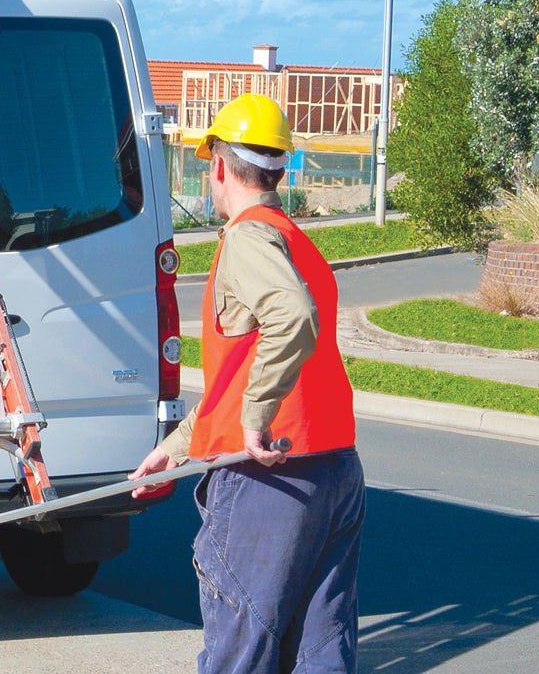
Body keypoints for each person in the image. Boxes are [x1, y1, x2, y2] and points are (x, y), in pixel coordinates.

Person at [128, 93, 364, 673]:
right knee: (319, 650)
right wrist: (177, 446)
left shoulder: (247, 238)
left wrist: (257, 416)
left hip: (269, 477)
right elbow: (240, 372)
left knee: (242, 651)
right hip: (332, 468)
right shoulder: (293, 240)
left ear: (217, 166)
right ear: (279, 167)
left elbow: (292, 318)